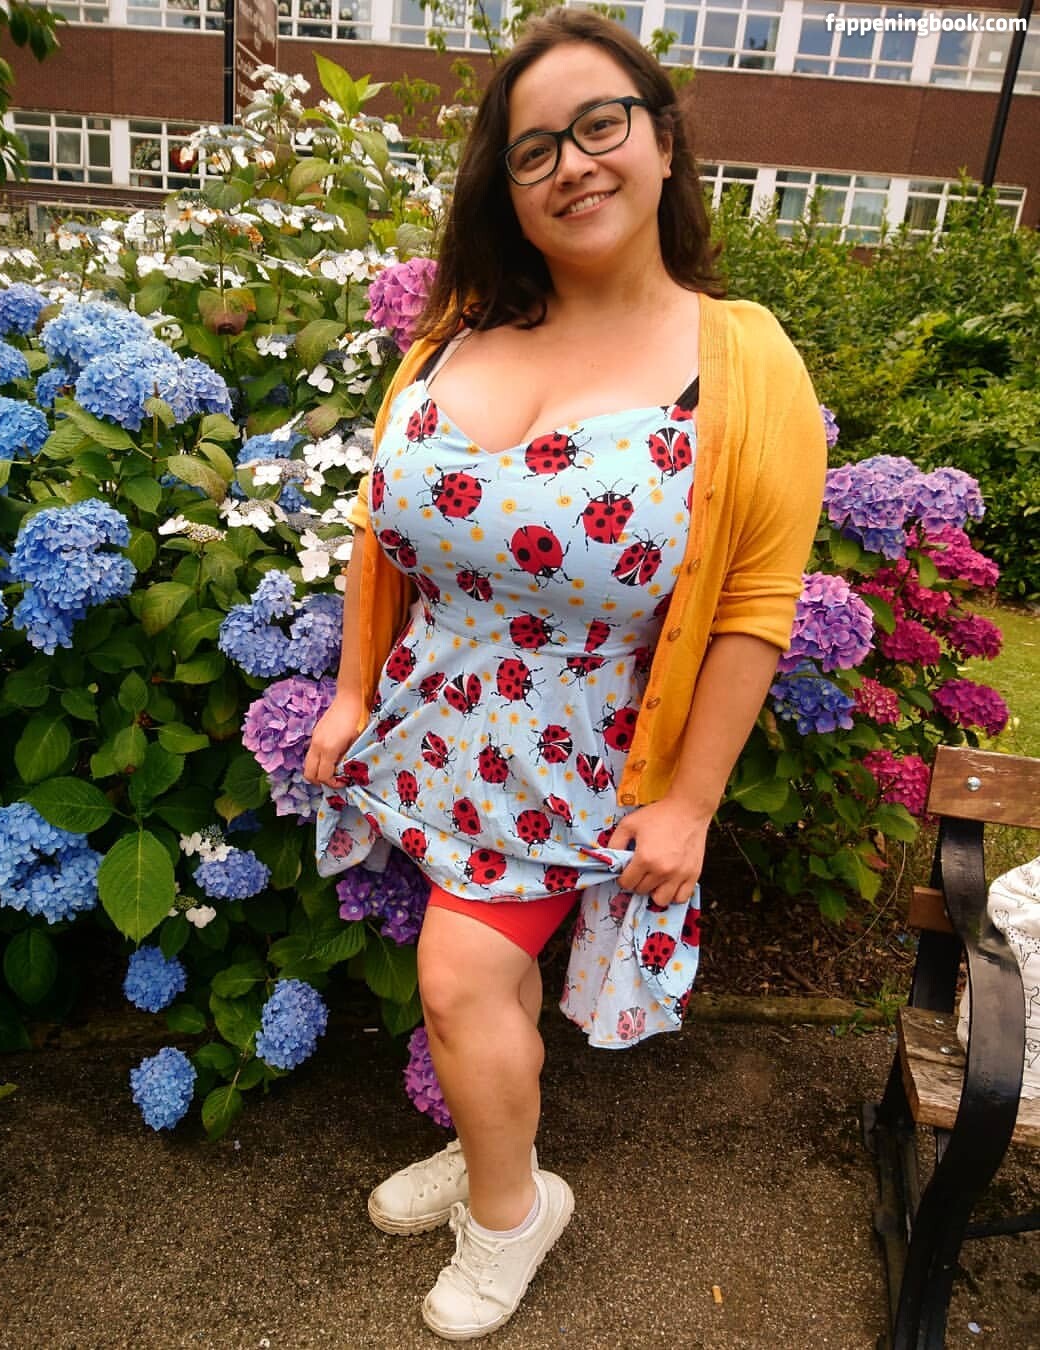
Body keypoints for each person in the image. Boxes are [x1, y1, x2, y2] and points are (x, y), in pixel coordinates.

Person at [303, 7, 827, 1340]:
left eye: (601, 125)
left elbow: (754, 602)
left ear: (664, 142)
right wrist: (355, 694)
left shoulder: (742, 359)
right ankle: (503, 1146)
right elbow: (380, 528)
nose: (571, 164)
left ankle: (512, 1214)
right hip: (435, 735)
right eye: (533, 148)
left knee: (459, 980)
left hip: (579, 760)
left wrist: (691, 802)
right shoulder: (454, 334)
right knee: (491, 983)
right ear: (506, 183)